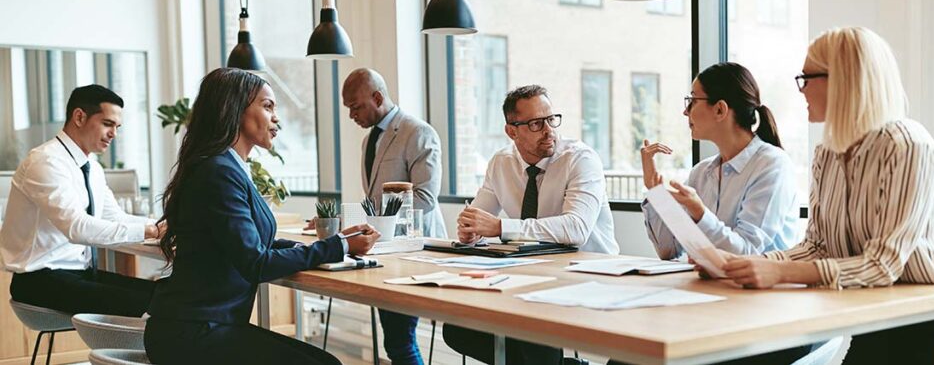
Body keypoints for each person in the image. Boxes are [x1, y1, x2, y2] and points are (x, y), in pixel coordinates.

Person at [712, 27, 934, 364]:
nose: (802, 90)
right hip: (872, 325)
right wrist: (745, 265)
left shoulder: (908, 146)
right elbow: (816, 246)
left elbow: (881, 265)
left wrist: (779, 273)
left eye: (806, 78)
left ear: (842, 80)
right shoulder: (827, 153)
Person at [144, 68, 380, 365]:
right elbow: (255, 263)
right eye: (267, 106)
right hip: (193, 332)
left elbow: (249, 243)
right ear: (235, 110)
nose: (276, 118)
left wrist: (325, 244)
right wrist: (339, 246)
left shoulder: (225, 167)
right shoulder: (219, 171)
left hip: (204, 325)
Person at [443, 84, 618, 365]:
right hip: (530, 275)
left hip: (588, 275)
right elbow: (477, 217)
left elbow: (576, 229)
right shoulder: (501, 163)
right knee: (458, 329)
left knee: (529, 328)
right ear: (512, 131)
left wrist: (501, 227)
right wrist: (469, 230)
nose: (549, 130)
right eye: (536, 124)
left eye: (551, 119)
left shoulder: (581, 160)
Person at [1, 84, 162, 317]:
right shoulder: (45, 162)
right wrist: (149, 231)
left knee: (164, 293)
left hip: (78, 273)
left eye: (117, 127)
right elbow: (77, 228)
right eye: (107, 124)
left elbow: (114, 216)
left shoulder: (93, 168)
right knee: (151, 302)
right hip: (38, 280)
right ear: (79, 117)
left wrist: (158, 226)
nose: (114, 134)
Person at [339, 67, 446, 365]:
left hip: (414, 252)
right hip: (384, 255)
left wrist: (381, 225)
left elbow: (424, 198)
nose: (351, 116)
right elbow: (375, 202)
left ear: (377, 97)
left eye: (356, 107)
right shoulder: (368, 140)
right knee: (395, 341)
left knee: (400, 341)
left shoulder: (418, 132)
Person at [641, 62, 801, 258]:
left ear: (720, 110)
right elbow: (669, 251)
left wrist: (699, 212)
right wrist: (655, 191)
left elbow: (747, 252)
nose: (686, 111)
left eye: (692, 100)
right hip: (709, 285)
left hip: (759, 288)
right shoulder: (701, 173)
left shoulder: (772, 165)